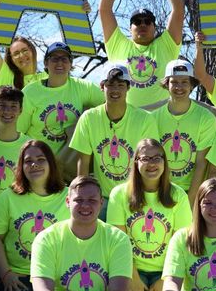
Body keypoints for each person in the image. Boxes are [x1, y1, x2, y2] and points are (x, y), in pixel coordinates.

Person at [8, 176, 147, 291]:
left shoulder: (118, 238)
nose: (85, 206)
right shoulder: (46, 238)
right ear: (67, 202)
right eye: (78, 200)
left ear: (101, 203)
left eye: (92, 200)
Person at [0, 140, 70, 291]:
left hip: (55, 278)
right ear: (21, 167)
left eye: (41, 159)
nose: (34, 165)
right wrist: (6, 274)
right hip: (18, 277)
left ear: (51, 164)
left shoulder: (69, 197)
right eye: (28, 161)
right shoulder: (9, 197)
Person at [107, 140, 192, 291]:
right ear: (136, 161)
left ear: (164, 162)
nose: (152, 164)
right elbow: (118, 242)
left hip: (165, 272)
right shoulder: (119, 194)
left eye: (157, 158)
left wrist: (166, 279)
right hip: (130, 270)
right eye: (145, 158)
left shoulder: (178, 195)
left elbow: (182, 243)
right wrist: (132, 276)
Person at [100, 0, 185, 107]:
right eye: (137, 22)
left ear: (155, 27)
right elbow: (104, 10)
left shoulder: (166, 45)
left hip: (160, 120)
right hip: (129, 119)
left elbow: (179, 10)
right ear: (130, 28)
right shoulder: (118, 44)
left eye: (147, 21)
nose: (142, 24)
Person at [68, 64, 158, 198]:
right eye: (110, 84)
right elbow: (83, 162)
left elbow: (150, 163)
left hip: (134, 195)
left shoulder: (145, 119)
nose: (115, 90)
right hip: (101, 197)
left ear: (128, 88)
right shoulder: (89, 118)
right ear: (102, 86)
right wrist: (83, 197)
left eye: (121, 85)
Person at [17, 41, 105, 158]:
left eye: (64, 59)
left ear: (70, 63)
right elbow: (19, 133)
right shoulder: (29, 93)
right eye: (54, 58)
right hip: (39, 161)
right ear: (46, 63)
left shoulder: (84, 88)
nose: (59, 63)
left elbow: (110, 104)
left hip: (69, 164)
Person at [154, 60, 216, 201]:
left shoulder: (206, 118)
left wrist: (190, 201)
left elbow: (202, 163)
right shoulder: (153, 118)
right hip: (159, 191)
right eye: (174, 82)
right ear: (166, 84)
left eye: (184, 82)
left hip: (191, 191)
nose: (179, 87)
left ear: (192, 85)